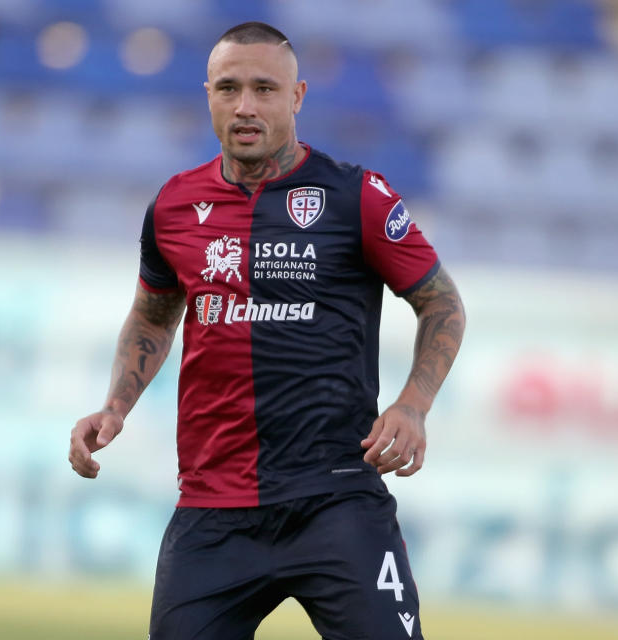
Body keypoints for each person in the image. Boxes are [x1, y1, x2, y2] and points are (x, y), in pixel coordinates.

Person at [68, 21, 465, 640]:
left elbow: (441, 304)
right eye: (228, 88)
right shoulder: (173, 207)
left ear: (298, 96)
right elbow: (152, 314)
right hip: (213, 510)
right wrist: (116, 405)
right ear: (207, 95)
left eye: (264, 88)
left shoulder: (356, 197)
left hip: (335, 502)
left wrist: (413, 406)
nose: (246, 106)